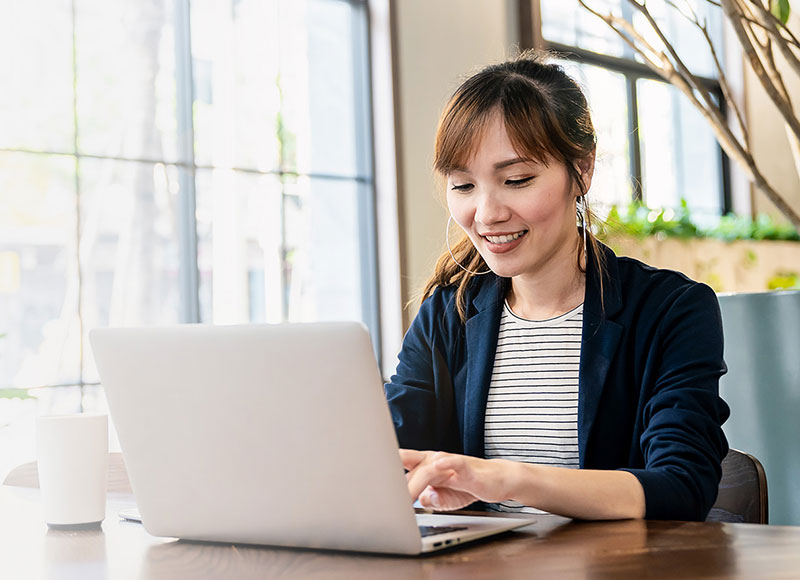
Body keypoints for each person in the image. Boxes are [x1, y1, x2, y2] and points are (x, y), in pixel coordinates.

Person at [384, 50, 729, 521]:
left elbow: (681, 484)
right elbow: (384, 453)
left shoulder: (671, 310)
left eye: (517, 179)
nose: (486, 214)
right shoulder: (450, 311)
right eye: (463, 185)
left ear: (581, 170)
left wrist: (506, 478)